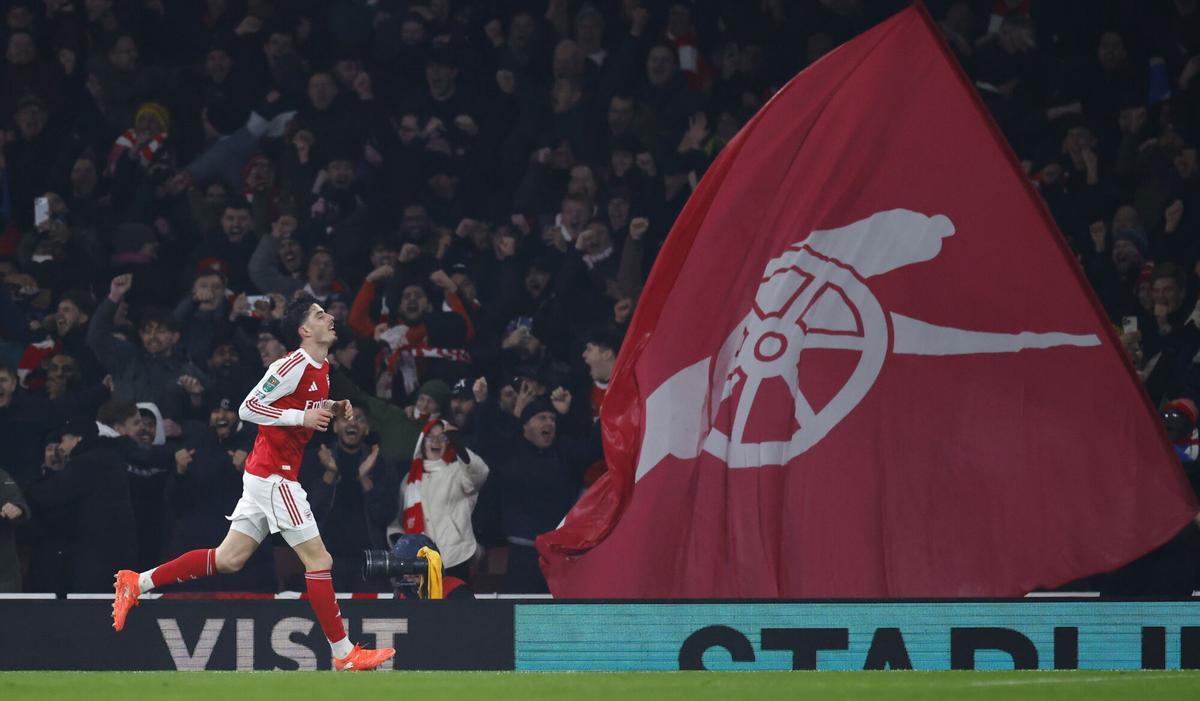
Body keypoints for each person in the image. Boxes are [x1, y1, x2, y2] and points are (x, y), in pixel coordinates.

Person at [111, 296, 394, 671]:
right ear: (304, 330)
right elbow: (249, 408)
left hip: (266, 473)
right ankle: (344, 654)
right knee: (320, 559)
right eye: (320, 315)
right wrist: (301, 417)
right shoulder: (291, 364)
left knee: (229, 559)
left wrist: (333, 406)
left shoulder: (322, 368)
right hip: (275, 477)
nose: (331, 318)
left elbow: (303, 407)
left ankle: (137, 582)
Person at [392, 419, 488, 582]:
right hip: (418, 562)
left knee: (456, 607)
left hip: (455, 558)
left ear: (449, 443)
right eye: (430, 437)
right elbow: (399, 521)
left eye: (442, 437)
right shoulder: (409, 480)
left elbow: (479, 473)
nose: (436, 441)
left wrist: (458, 444)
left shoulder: (459, 471)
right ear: (422, 442)